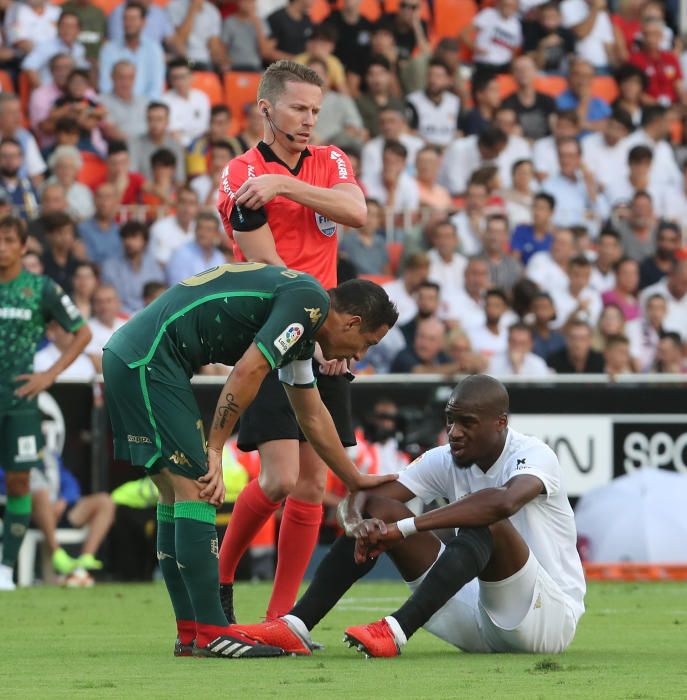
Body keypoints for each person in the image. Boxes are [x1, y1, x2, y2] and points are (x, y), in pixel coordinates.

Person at [102, 265, 397, 656]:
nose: (360, 355)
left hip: (135, 357)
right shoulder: (308, 303)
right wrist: (214, 450)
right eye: (367, 343)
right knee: (198, 489)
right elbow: (249, 370)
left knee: (176, 494)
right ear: (353, 321)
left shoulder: (302, 329)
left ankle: (191, 632)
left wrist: (354, 478)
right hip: (151, 360)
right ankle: (212, 632)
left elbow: (311, 414)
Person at [230, 374, 585, 658]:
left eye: (467, 422)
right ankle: (295, 625)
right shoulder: (446, 456)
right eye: (450, 420)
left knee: (486, 518)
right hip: (475, 614)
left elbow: (502, 503)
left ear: (500, 423)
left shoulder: (534, 455)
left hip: (544, 618)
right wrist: (358, 522)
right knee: (378, 512)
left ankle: (396, 630)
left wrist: (406, 528)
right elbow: (367, 497)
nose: (454, 432)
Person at [215, 60, 370, 625]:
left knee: (312, 485)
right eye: (298, 109)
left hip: (323, 335)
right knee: (279, 479)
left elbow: (357, 210)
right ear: (266, 108)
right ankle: (222, 575)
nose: (308, 121)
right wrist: (313, 330)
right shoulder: (238, 174)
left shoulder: (328, 161)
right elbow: (272, 269)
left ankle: (282, 621)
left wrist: (285, 184)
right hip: (270, 334)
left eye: (314, 111)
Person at [0, 215, 91, 591]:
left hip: (21, 400)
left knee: (21, 482)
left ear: (23, 246)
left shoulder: (40, 289)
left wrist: (49, 375)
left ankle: (5, 571)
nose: (1, 247)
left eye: (7, 240)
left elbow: (82, 333)